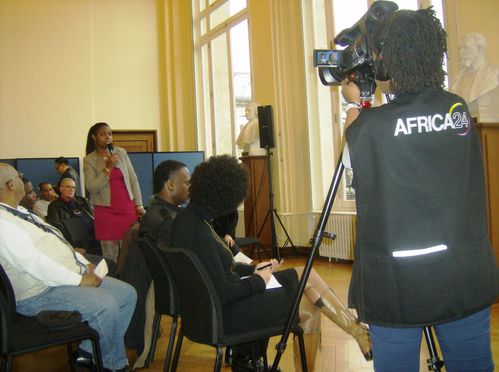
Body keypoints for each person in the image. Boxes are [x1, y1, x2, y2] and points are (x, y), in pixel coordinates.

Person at [340, 8, 498, 372]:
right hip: (462, 271)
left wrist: (355, 102)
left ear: (386, 60)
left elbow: (353, 162)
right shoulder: (457, 109)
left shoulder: (371, 126)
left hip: (397, 281)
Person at [170, 155, 372, 371]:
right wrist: (258, 280)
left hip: (211, 312)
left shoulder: (190, 222)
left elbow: (215, 270)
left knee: (305, 277)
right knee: (306, 304)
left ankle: (357, 333)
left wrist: (252, 269)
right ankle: (357, 333)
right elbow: (223, 292)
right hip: (225, 317)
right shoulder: (198, 231)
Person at [0, 163, 137, 372]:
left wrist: (85, 264)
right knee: (106, 305)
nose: (22, 179)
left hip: (60, 279)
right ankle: (113, 366)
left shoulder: (19, 212)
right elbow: (33, 262)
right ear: (10, 184)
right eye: (19, 177)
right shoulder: (3, 222)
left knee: (127, 295)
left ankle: (87, 355)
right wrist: (79, 280)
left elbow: (57, 242)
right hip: (38, 292)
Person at [119, 160, 190, 367]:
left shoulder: (156, 212)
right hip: (167, 289)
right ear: (170, 184)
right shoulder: (167, 220)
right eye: (186, 182)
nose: (189, 188)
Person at [83, 122, 145, 262]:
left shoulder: (121, 153)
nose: (107, 137)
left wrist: (139, 205)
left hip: (127, 209)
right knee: (110, 257)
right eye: (103, 134)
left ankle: (130, 281)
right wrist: (108, 168)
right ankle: (113, 282)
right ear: (94, 137)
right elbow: (91, 187)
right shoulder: (89, 160)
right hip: (106, 213)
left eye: (110, 134)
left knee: (130, 253)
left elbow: (133, 179)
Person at [46, 178, 101, 256]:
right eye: (68, 187)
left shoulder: (84, 201)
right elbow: (57, 228)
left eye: (73, 187)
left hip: (94, 238)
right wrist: (71, 246)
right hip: (76, 243)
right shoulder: (54, 206)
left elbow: (95, 219)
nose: (71, 190)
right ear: (61, 189)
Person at [451, 32, 499, 104]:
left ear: (479, 49)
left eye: (465, 47)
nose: (460, 52)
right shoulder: (457, 80)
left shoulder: (494, 74)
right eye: (459, 49)